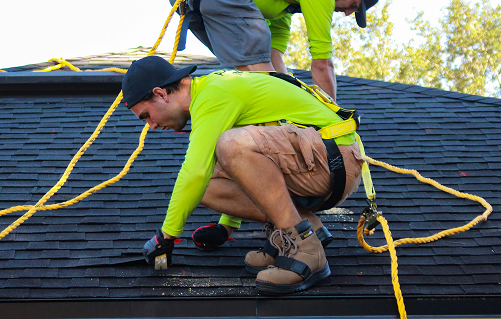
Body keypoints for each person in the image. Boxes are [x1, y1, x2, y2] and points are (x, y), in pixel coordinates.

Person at [123, 56, 365, 294]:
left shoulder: (213, 93)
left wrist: (165, 238)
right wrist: (226, 226)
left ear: (160, 93)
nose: (151, 126)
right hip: (318, 159)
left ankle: (307, 250)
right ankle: (302, 226)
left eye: (146, 116)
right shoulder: (212, 89)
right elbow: (234, 169)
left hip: (334, 157)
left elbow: (195, 171)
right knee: (207, 179)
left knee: (225, 148)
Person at [171, 0, 378, 100]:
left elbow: (272, 55)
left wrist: (292, 96)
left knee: (256, 80)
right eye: (354, 4)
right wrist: (332, 118)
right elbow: (323, 64)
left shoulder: (283, 8)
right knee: (268, 90)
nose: (348, 13)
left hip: (195, 7)